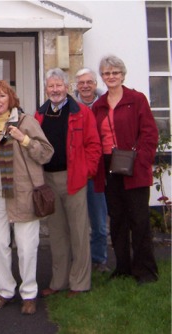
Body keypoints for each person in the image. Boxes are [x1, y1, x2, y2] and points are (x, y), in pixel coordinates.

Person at [0, 80, 54, 315]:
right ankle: (6, 290)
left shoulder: (25, 121)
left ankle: (28, 293)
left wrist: (24, 139)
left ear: (11, 99)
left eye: (2, 96)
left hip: (22, 191)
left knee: (26, 245)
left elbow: (46, 153)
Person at [92, 55, 159, 285]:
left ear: (123, 75)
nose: (111, 77)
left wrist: (140, 161)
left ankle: (146, 271)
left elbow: (149, 134)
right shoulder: (99, 106)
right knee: (118, 220)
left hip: (133, 166)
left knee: (139, 221)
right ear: (102, 76)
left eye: (115, 73)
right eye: (107, 73)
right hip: (109, 166)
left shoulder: (136, 99)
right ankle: (123, 268)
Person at [35, 68, 101, 298]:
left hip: (74, 179)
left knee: (79, 232)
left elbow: (94, 146)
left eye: (59, 85)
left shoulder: (81, 112)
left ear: (66, 87)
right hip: (49, 181)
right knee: (57, 233)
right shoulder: (39, 115)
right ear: (46, 89)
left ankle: (80, 283)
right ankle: (59, 281)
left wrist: (86, 171)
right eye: (51, 86)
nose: (55, 90)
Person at [74, 68, 110, 273]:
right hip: (77, 170)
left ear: (95, 84)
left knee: (98, 218)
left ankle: (99, 259)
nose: (85, 86)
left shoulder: (105, 104)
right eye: (81, 83)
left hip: (99, 170)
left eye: (89, 82)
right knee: (76, 220)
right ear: (76, 86)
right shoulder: (71, 107)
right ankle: (79, 260)